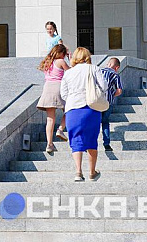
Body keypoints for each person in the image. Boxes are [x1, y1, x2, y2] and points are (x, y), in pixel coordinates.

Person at [60, 47, 108, 182]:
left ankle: (78, 172)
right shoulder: (94, 68)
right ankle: (92, 172)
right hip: (91, 108)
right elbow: (104, 86)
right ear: (87, 57)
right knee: (92, 140)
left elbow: (64, 94)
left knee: (75, 140)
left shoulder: (68, 73)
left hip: (73, 109)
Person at [36, 44, 69, 154]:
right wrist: (70, 58)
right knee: (69, 110)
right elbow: (71, 73)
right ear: (61, 53)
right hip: (58, 87)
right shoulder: (61, 62)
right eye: (64, 54)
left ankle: (49, 144)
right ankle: (60, 129)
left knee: (50, 119)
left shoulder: (47, 62)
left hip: (47, 88)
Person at [100, 57, 123, 152]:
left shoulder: (99, 71)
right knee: (105, 122)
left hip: (95, 101)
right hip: (107, 102)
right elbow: (119, 90)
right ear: (117, 67)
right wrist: (112, 95)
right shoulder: (115, 74)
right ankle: (106, 144)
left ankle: (88, 142)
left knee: (94, 122)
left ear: (108, 64)